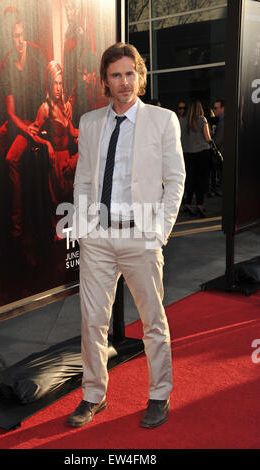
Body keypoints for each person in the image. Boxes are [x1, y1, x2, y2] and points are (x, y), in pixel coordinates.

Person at [67, 42, 185, 428]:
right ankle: (93, 395)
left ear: (140, 75)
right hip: (99, 238)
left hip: (142, 236)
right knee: (92, 321)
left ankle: (159, 394)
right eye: (116, 75)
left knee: (153, 320)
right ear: (105, 80)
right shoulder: (90, 122)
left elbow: (176, 180)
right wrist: (85, 229)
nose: (124, 82)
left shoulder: (163, 120)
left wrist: (160, 232)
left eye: (130, 73)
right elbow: (84, 179)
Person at [0, 7, 47, 242]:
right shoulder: (6, 63)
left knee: (11, 159)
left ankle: (17, 226)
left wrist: (37, 124)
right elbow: (10, 112)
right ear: (10, 38)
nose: (20, 40)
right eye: (16, 36)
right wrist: (25, 128)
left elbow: (47, 97)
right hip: (18, 121)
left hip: (37, 117)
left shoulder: (36, 55)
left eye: (22, 34)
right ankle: (1, 212)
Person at [31, 61, 78, 230]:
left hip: (68, 159)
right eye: (55, 83)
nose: (58, 88)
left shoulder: (64, 107)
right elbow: (33, 133)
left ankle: (67, 238)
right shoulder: (44, 108)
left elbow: (72, 132)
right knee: (56, 201)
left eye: (60, 83)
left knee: (70, 199)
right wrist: (47, 144)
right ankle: (57, 242)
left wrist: (90, 132)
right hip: (55, 160)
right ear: (49, 85)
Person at [182, 100, 211, 217]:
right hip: (202, 153)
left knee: (190, 179)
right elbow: (208, 138)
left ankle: (188, 203)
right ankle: (200, 204)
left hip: (187, 153)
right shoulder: (202, 120)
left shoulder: (182, 121)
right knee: (201, 179)